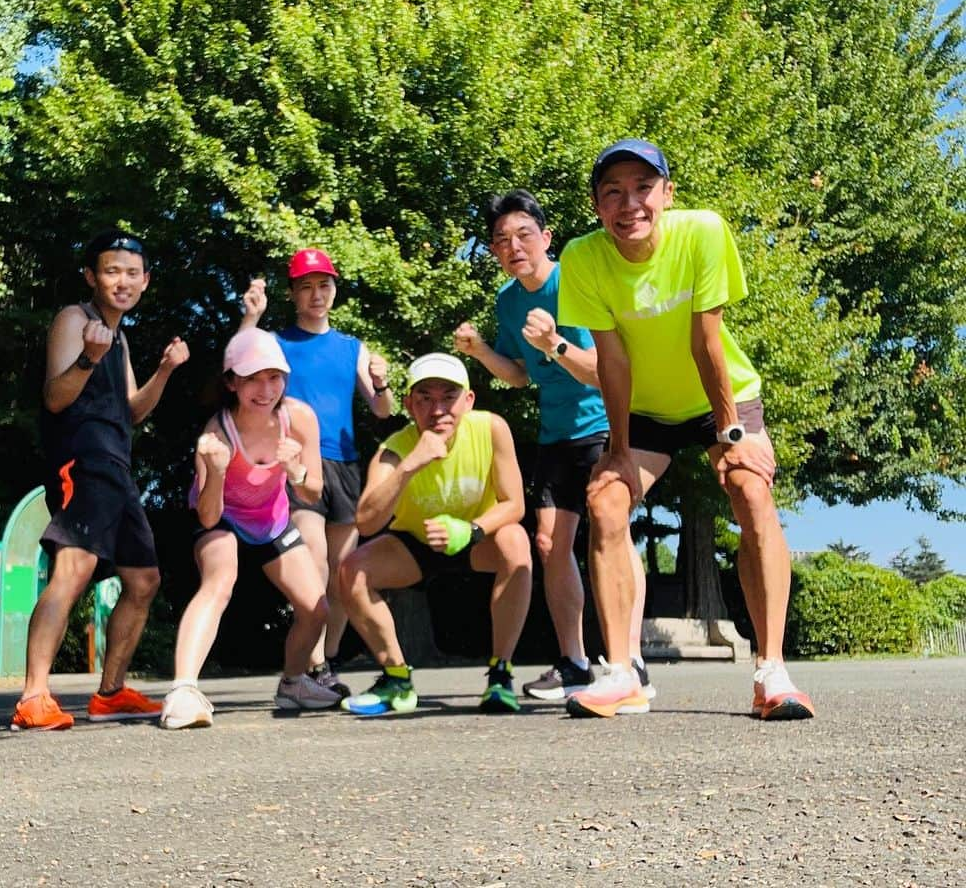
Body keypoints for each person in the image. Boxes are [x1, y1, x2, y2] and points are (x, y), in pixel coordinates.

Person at [558, 138, 815, 720]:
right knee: (604, 503)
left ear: (667, 194)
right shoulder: (583, 257)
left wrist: (731, 437)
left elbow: (707, 342)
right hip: (644, 406)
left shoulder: (702, 231)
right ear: (598, 207)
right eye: (612, 193)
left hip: (717, 396)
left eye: (643, 188)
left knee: (751, 491)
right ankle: (622, 672)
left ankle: (771, 672)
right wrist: (619, 451)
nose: (630, 204)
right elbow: (613, 362)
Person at [453, 189, 652, 702]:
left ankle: (630, 657)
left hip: (604, 423)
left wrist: (555, 344)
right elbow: (519, 377)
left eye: (523, 234)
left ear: (546, 238)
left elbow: (601, 371)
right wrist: (480, 352)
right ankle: (574, 662)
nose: (513, 246)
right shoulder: (507, 300)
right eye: (501, 240)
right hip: (555, 433)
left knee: (612, 532)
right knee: (547, 544)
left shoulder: (574, 281)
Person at [11, 230, 189, 731]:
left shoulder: (120, 336)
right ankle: (33, 696)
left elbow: (131, 412)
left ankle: (110, 692)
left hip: (117, 468)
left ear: (146, 281)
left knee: (143, 580)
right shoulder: (76, 319)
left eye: (133, 273)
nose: (123, 281)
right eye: (112, 270)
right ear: (92, 276)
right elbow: (54, 398)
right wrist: (88, 356)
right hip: (81, 464)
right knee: (75, 568)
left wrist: (165, 371)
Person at [160, 328, 340, 727]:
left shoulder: (301, 419)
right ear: (231, 382)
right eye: (253, 378)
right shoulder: (217, 431)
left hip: (271, 521)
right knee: (220, 579)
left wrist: (296, 470)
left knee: (317, 606)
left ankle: (294, 682)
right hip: (222, 516)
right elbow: (207, 517)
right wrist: (219, 472)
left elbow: (312, 493)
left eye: (274, 377)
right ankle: (183, 690)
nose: (265, 389)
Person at [338, 352, 532, 715]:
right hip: (416, 543)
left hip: (475, 538)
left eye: (449, 396)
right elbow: (365, 522)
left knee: (516, 542)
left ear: (469, 400)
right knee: (352, 569)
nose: (437, 408)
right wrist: (410, 465)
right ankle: (396, 679)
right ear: (409, 404)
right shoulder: (394, 449)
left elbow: (515, 504)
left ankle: (500, 675)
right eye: (425, 398)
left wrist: (471, 530)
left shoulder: (491, 428)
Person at [239, 249, 393, 696]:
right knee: (315, 560)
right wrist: (251, 317)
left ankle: (325, 663)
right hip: (296, 462)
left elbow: (382, 410)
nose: (316, 294)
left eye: (323, 285)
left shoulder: (352, 347)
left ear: (334, 290)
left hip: (344, 464)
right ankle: (313, 663)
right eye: (306, 286)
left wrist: (381, 381)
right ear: (292, 294)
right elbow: (238, 365)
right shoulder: (276, 343)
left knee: (343, 573)